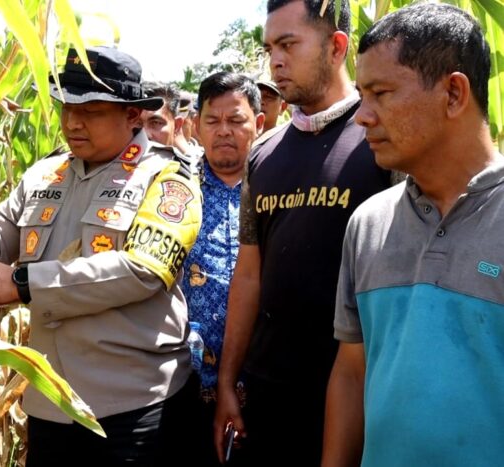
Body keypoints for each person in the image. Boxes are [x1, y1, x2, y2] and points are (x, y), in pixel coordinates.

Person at [0, 46, 203, 466]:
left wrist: (23, 284)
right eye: (66, 108)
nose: (72, 122)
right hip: (50, 407)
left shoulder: (167, 179)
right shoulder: (44, 174)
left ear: (132, 115)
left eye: (90, 110)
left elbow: (143, 271)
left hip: (135, 413)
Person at [212, 0, 395, 464]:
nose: (275, 61)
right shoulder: (264, 154)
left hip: (356, 397)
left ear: (336, 47)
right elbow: (249, 274)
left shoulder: (382, 142)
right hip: (269, 395)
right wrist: (229, 382)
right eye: (270, 47)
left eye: (289, 44)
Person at [324, 4, 504, 466]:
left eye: (381, 93)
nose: (362, 117)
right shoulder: (367, 225)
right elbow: (352, 371)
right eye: (362, 95)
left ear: (454, 94)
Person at [180, 72, 264, 466]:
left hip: (264, 386)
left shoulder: (276, 187)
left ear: (260, 124)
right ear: (196, 126)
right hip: (186, 386)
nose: (223, 131)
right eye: (212, 121)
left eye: (236, 120)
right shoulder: (174, 189)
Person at [141, 81, 203, 159]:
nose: (145, 134)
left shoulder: (194, 168)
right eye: (138, 123)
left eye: (156, 123)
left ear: (176, 126)